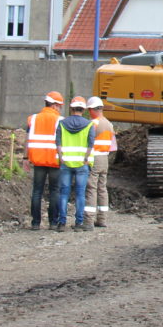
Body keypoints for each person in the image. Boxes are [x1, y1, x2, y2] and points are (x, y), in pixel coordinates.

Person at [54, 96, 95, 232]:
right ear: (84, 110)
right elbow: (90, 144)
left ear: (71, 108)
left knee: (64, 193)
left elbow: (58, 143)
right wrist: (86, 158)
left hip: (66, 163)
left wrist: (61, 157)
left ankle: (62, 223)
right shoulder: (89, 125)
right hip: (82, 164)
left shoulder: (62, 123)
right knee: (80, 194)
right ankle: (79, 223)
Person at [25, 91, 63, 230]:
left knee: (37, 191)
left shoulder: (33, 119)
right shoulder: (60, 120)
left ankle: (35, 223)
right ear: (54, 105)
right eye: (59, 106)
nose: (60, 109)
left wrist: (25, 157)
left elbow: (27, 140)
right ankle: (53, 222)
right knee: (54, 191)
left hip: (38, 160)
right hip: (55, 161)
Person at [84, 96, 115, 228]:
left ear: (92, 109)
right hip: (105, 159)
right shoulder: (109, 124)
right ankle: (102, 219)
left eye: (89, 110)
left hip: (94, 158)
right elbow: (113, 146)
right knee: (102, 189)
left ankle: (88, 221)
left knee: (92, 188)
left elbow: (87, 143)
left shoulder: (93, 124)